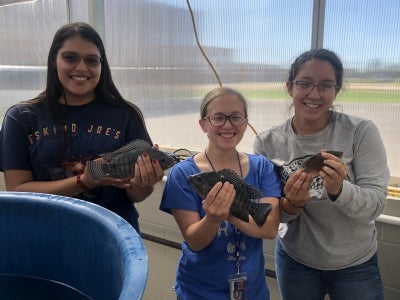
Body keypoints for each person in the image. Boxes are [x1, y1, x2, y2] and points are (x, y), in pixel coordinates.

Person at [0, 22, 165, 233]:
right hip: (42, 236)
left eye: (91, 60)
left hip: (111, 237)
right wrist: (85, 181)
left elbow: (137, 195)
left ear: (101, 65)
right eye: (70, 57)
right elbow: (18, 190)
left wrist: (145, 181)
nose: (81, 67)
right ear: (54, 61)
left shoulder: (126, 115)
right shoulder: (22, 117)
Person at [254, 48, 390, 300]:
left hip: (355, 263)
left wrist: (340, 189)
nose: (314, 94)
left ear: (336, 90)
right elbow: (271, 215)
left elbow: (375, 205)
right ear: (289, 87)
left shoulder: (361, 132)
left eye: (326, 86)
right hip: (296, 260)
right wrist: (292, 204)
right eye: (304, 83)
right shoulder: (267, 142)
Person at [159, 86, 281, 300]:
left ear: (245, 122)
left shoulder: (262, 167)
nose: (227, 125)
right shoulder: (184, 174)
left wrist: (229, 213)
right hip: (199, 292)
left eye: (236, 117)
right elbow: (195, 242)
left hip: (252, 291)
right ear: (203, 124)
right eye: (218, 117)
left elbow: (269, 228)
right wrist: (213, 219)